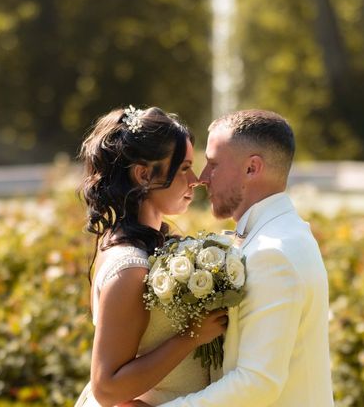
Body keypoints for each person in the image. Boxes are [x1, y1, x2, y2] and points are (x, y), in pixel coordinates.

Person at [129, 109, 334, 406]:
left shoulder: (272, 253)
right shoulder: (284, 233)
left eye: (213, 164)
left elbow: (257, 383)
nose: (202, 178)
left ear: (252, 168)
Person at [75, 106, 228, 407]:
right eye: (184, 168)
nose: (195, 179)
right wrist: (192, 336)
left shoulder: (145, 245)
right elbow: (106, 389)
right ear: (144, 175)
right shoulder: (130, 265)